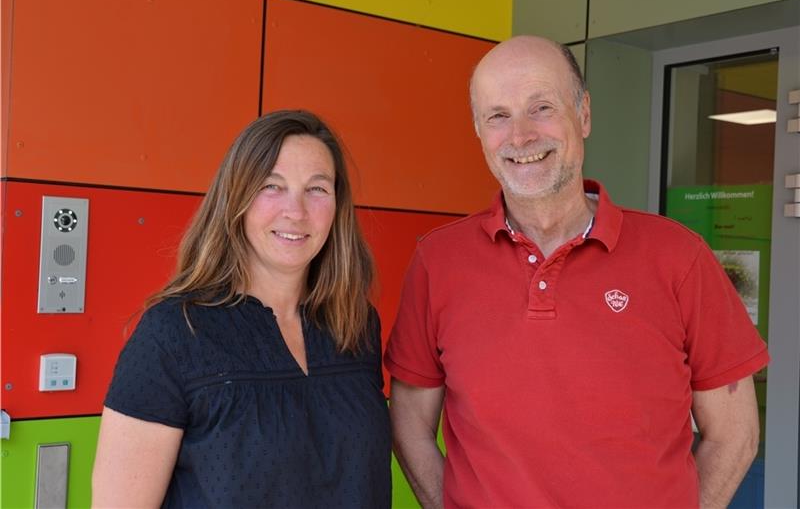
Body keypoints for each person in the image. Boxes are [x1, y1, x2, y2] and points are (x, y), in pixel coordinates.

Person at [385, 36, 768, 508]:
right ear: (479, 132)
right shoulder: (437, 262)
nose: (521, 136)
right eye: (498, 116)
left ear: (583, 114)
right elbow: (409, 423)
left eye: (541, 107)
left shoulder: (679, 257)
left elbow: (736, 434)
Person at [92, 110, 391, 508]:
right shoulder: (174, 333)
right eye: (272, 185)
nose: (296, 211)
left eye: (317, 189)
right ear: (237, 197)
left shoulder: (355, 324)